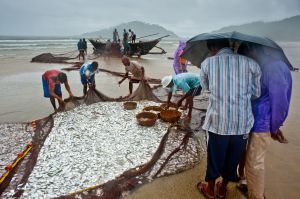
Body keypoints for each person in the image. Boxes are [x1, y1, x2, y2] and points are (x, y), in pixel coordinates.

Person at [198, 39, 261, 199]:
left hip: (218, 122)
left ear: (213, 48)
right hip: (241, 123)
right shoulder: (252, 64)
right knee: (233, 157)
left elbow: (206, 91)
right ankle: (223, 189)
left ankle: (210, 190)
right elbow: (256, 94)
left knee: (214, 158)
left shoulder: (207, 64)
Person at [237, 43, 292, 199]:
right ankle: (250, 186)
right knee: (251, 159)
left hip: (262, 123)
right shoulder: (267, 66)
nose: (247, 61)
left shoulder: (274, 68)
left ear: (253, 50)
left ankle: (256, 196)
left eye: (246, 58)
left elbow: (280, 102)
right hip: (257, 121)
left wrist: (274, 127)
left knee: (254, 163)